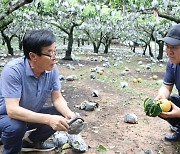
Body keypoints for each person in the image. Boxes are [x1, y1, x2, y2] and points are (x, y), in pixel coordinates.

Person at [0, 29, 75, 153]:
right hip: (5, 116)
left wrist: (69, 114)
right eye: (50, 53)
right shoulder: (13, 70)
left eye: (55, 52)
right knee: (16, 127)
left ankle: (30, 142)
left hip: (29, 114)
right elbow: (12, 110)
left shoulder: (51, 69)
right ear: (33, 56)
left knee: (60, 114)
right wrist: (48, 119)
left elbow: (57, 97)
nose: (54, 58)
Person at [155, 23, 180, 141]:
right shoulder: (172, 64)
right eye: (167, 46)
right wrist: (161, 96)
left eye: (174, 47)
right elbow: (166, 86)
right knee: (169, 102)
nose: (169, 51)